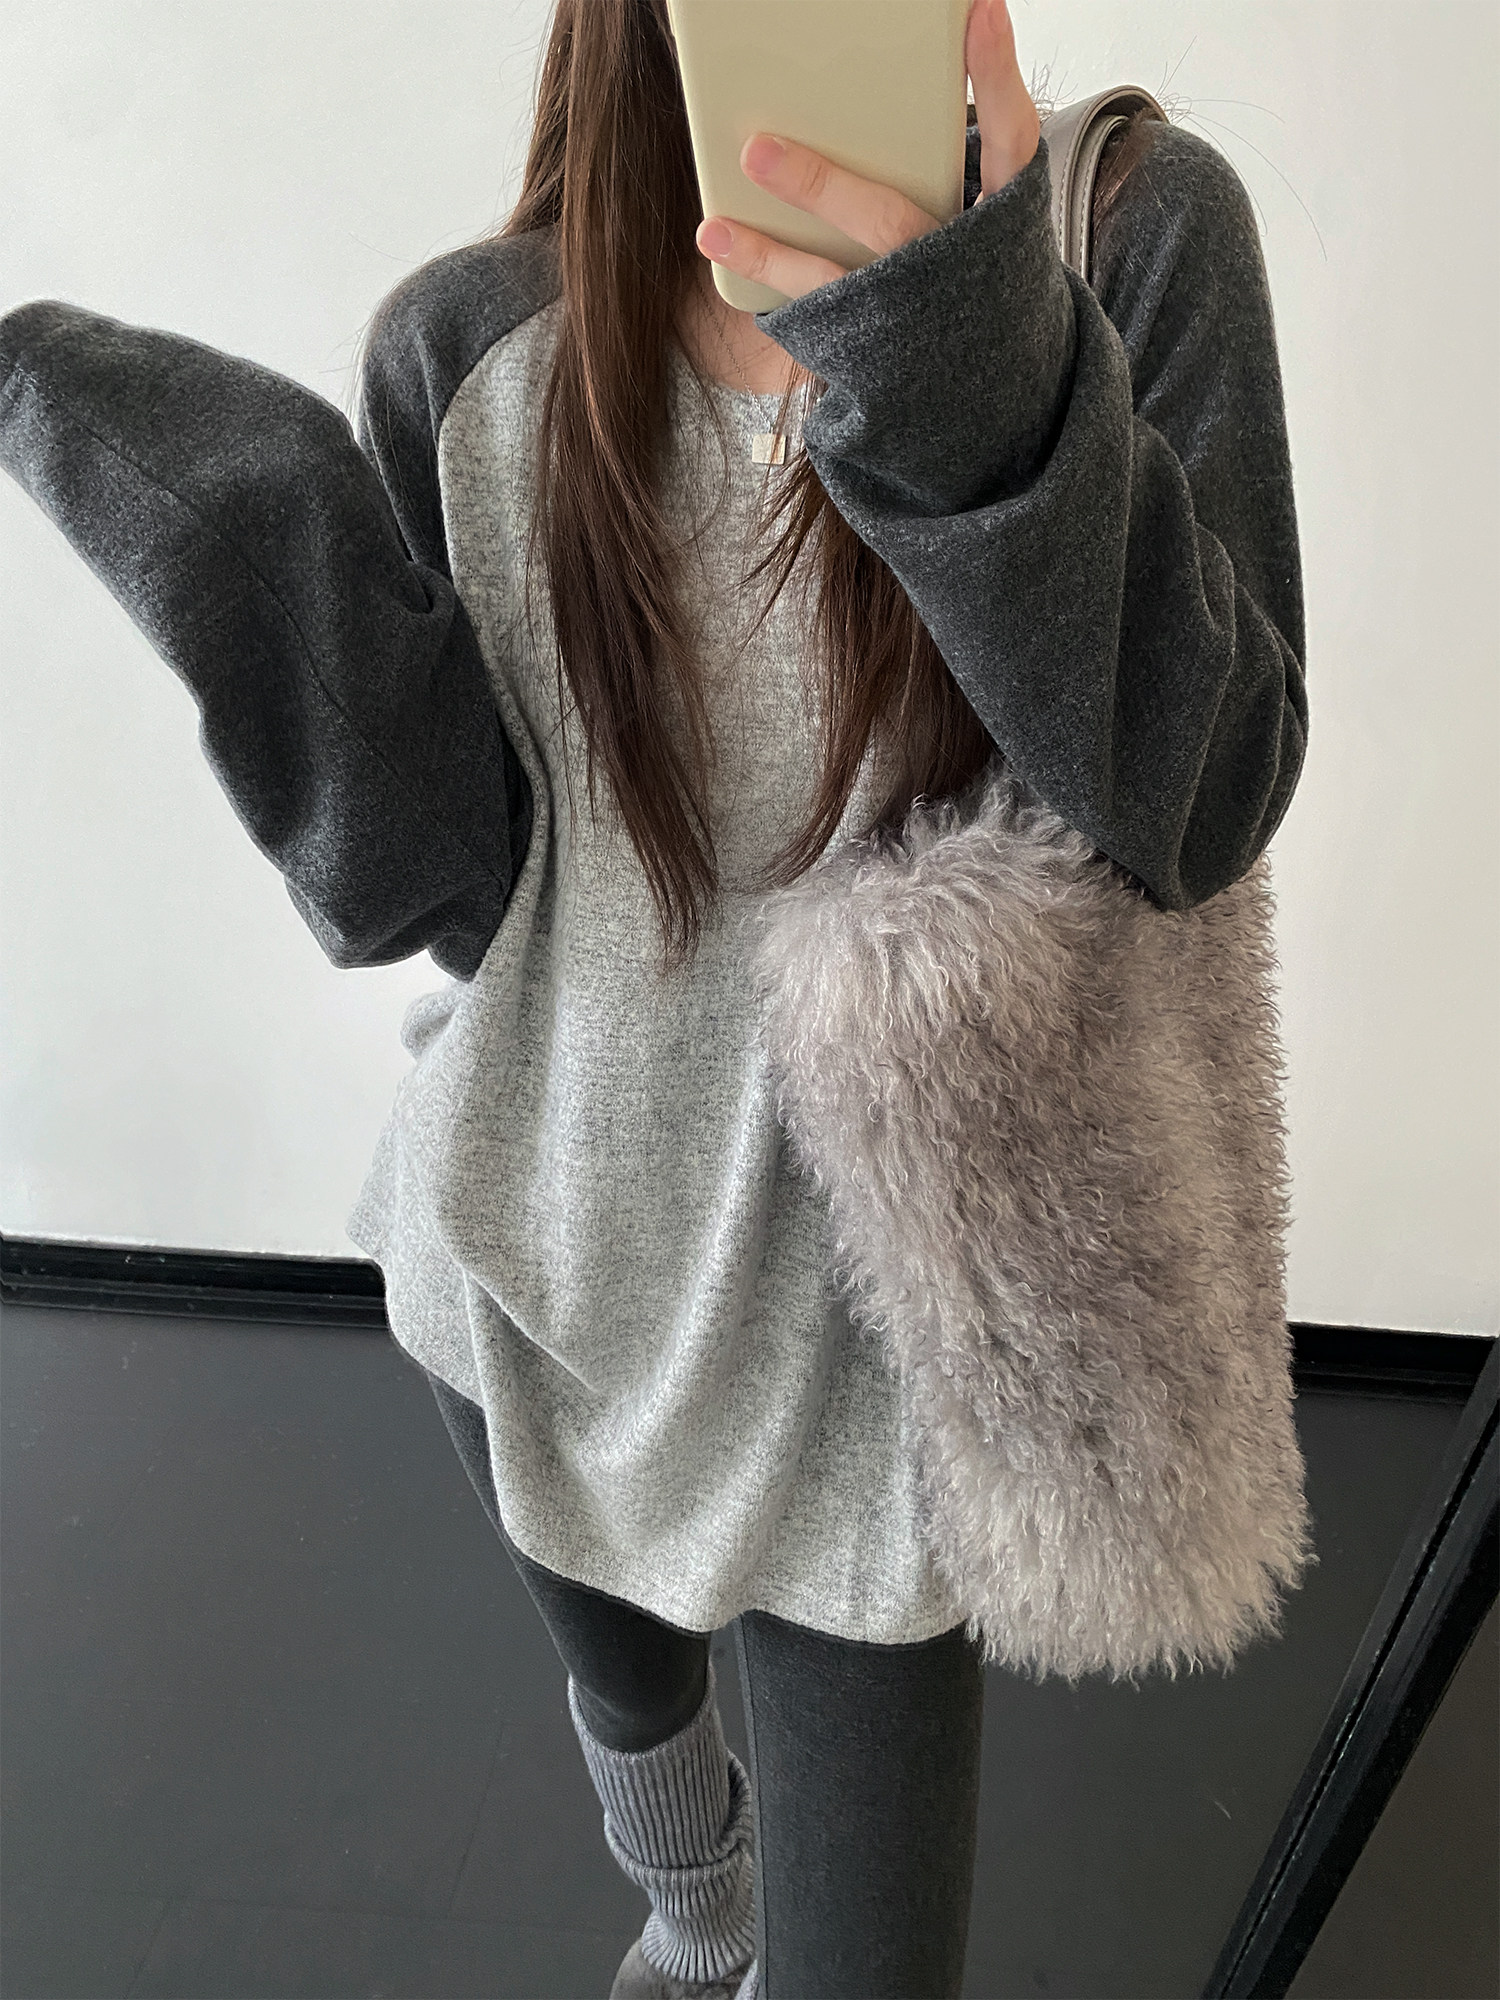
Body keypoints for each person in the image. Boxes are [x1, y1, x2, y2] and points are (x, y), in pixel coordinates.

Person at [0, 0, 1308, 1992]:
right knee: (630, 1699)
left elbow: (1200, 800)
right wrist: (262, 577)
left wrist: (959, 348)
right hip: (539, 1246)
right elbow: (462, 897)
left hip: (876, 1347)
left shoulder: (1129, 242)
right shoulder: (477, 344)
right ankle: (696, 1900)